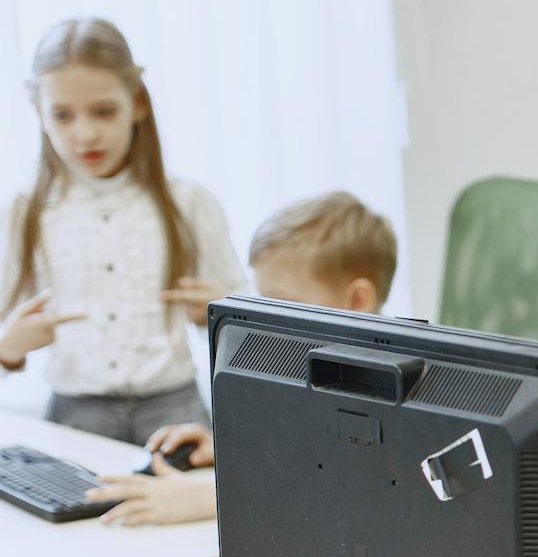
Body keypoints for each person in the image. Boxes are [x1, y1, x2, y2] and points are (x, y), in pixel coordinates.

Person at [84, 192, 397, 525]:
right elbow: (303, 453)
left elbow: (355, 486)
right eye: (262, 299)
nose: (267, 317)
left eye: (282, 302)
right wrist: (229, 447)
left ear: (357, 300)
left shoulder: (389, 384)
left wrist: (213, 497)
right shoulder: (306, 365)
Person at [0, 18, 243, 443]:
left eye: (104, 111)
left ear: (138, 104)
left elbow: (251, 325)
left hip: (176, 415)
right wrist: (9, 348)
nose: (86, 133)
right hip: (73, 418)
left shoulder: (188, 202)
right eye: (63, 115)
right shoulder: (26, 212)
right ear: (39, 113)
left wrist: (220, 314)